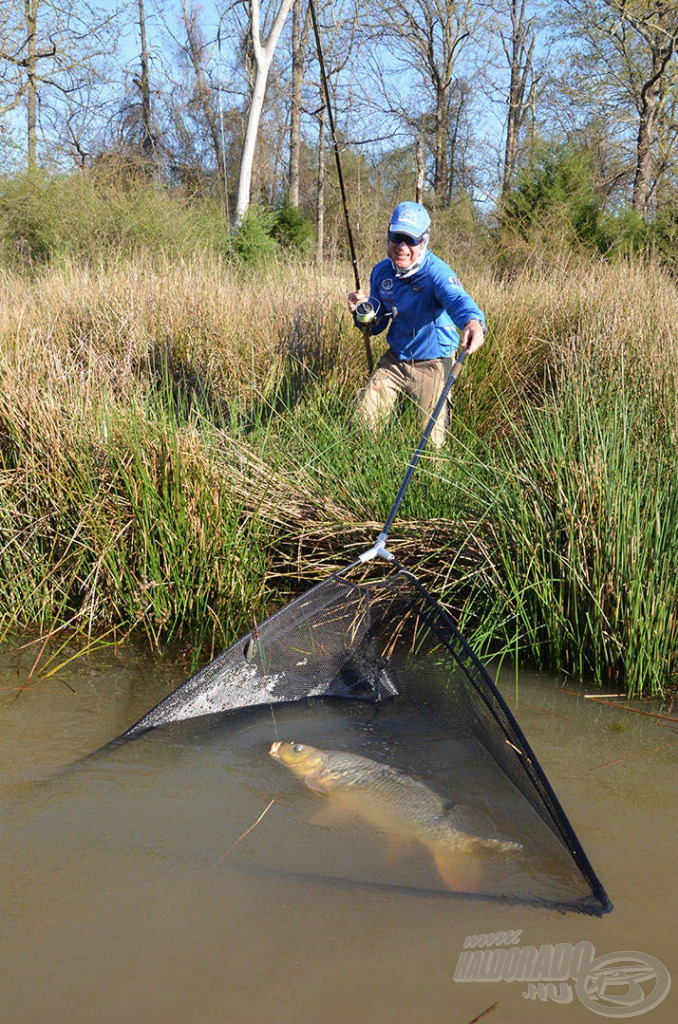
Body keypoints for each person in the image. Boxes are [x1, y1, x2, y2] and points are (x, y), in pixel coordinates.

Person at [348, 201, 486, 448]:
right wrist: (362, 314)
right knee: (362, 425)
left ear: (424, 241)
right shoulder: (381, 272)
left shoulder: (437, 273)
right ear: (388, 236)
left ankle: (432, 482)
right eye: (397, 237)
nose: (402, 247)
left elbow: (458, 300)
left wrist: (473, 322)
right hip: (395, 361)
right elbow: (376, 326)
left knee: (431, 446)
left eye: (410, 240)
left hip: (433, 364)